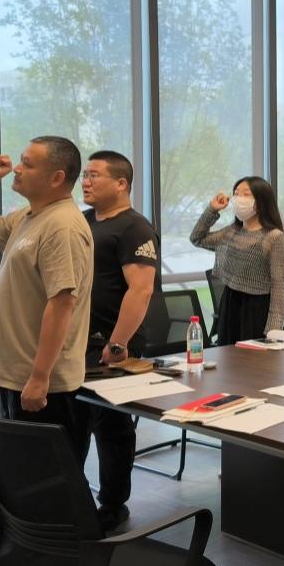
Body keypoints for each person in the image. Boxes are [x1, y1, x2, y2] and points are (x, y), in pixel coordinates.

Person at [0, 136, 92, 452]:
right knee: (22, 472)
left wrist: (39, 377)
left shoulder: (62, 226)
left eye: (28, 164)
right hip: (15, 374)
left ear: (56, 178)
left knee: (49, 475)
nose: (17, 169)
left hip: (44, 385)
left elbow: (62, 304)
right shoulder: (28, 216)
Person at [80, 150, 160, 534]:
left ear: (121, 183)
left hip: (112, 344)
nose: (85, 181)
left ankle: (113, 505)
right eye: (84, 174)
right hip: (75, 342)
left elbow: (140, 290)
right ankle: (73, 502)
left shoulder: (134, 228)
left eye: (94, 175)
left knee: (110, 427)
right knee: (74, 423)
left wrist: (117, 344)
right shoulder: (82, 222)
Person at [189, 176, 284, 344]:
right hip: (230, 304)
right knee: (227, 355)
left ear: (260, 201)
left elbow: (279, 286)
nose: (238, 198)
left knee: (252, 358)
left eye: (246, 194)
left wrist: (274, 330)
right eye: (236, 193)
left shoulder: (274, 237)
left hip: (257, 308)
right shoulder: (232, 231)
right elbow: (197, 238)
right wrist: (212, 210)